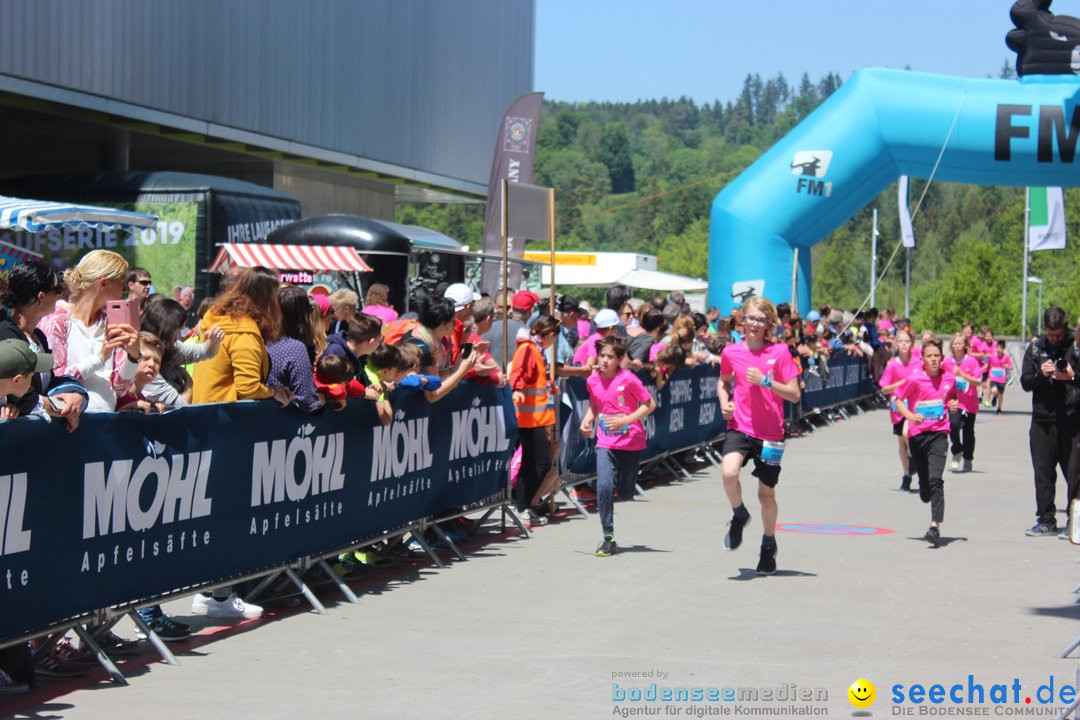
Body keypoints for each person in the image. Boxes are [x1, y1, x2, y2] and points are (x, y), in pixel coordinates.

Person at [717, 297, 801, 575]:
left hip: (771, 434)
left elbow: (795, 394)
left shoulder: (780, 352)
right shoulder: (731, 352)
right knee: (729, 474)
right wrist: (724, 402)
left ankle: (768, 544)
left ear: (769, 324)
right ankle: (739, 513)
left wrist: (766, 381)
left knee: (766, 494)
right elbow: (723, 381)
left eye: (760, 320)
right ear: (742, 320)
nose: (754, 324)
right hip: (740, 426)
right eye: (750, 318)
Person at [38, 249, 141, 413]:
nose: (125, 291)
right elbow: (53, 378)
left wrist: (134, 356)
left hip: (106, 420)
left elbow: (120, 388)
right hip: (68, 422)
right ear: (103, 283)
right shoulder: (58, 318)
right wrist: (100, 357)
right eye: (121, 284)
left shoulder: (112, 321)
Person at [580, 336, 656, 556]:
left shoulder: (629, 379)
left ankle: (625, 488)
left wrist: (625, 420)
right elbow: (595, 405)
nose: (604, 360)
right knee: (603, 486)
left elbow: (650, 404)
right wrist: (587, 420)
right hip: (605, 441)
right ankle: (608, 536)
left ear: (620, 359)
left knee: (625, 492)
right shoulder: (593, 380)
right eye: (602, 355)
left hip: (631, 441)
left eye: (610, 357)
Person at [0, 260, 87, 430]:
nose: (60, 294)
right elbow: (23, 397)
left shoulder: (39, 336)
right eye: (57, 289)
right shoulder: (5, 335)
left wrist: (77, 396)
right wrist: (65, 408)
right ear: (41, 297)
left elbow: (48, 382)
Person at [191, 268, 293, 409]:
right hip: (224, 418)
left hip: (206, 411)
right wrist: (275, 393)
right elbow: (247, 388)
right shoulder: (243, 333)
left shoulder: (221, 320)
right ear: (267, 300)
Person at [1021, 307, 1080, 537]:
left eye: (1059, 334)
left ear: (1066, 328)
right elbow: (1026, 382)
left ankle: (1074, 522)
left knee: (1075, 473)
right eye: (1051, 334)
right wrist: (1040, 375)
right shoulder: (1037, 347)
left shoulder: (1076, 345)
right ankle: (1046, 520)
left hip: (1072, 419)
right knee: (1043, 472)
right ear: (1045, 329)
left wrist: (1072, 376)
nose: (1055, 339)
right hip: (1042, 420)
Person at [894, 338, 958, 547]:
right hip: (917, 436)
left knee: (936, 479)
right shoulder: (915, 379)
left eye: (936, 356)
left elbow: (952, 397)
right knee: (925, 486)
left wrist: (954, 405)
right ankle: (923, 486)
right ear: (922, 359)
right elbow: (897, 399)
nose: (933, 360)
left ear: (942, 358)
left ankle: (934, 526)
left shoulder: (949, 378)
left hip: (939, 434)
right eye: (929, 356)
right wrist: (910, 416)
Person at [509, 315, 559, 526]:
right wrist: (518, 389)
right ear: (548, 334)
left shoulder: (536, 349)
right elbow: (518, 372)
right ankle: (521, 505)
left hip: (535, 417)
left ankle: (523, 506)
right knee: (542, 462)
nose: (554, 341)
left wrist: (549, 385)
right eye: (554, 336)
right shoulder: (529, 348)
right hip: (527, 417)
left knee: (531, 462)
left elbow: (533, 377)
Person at [139, 299, 223, 409]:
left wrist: (214, 340)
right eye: (178, 329)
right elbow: (181, 406)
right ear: (167, 329)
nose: (179, 336)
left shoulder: (171, 348)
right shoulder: (146, 367)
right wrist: (189, 383)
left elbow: (205, 351)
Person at [266, 286, 322, 413]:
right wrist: (323, 398)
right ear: (303, 315)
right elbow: (307, 400)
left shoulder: (260, 339)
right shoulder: (295, 348)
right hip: (282, 425)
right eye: (310, 309)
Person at [943, 332, 982, 473]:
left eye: (961, 344)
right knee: (953, 425)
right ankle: (957, 451)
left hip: (969, 402)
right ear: (951, 346)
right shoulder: (947, 362)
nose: (958, 346)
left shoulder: (971, 361)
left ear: (965, 345)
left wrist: (962, 374)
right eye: (955, 344)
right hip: (954, 401)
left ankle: (968, 458)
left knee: (968, 432)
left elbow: (978, 381)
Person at [987, 339, 1014, 414]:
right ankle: (995, 396)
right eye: (997, 348)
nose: (999, 350)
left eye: (1001, 348)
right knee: (994, 390)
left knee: (1001, 395)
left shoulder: (1006, 357)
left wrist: (1006, 366)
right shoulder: (992, 356)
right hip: (993, 377)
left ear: (1003, 349)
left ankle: (999, 408)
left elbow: (1011, 367)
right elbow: (987, 363)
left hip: (1002, 379)